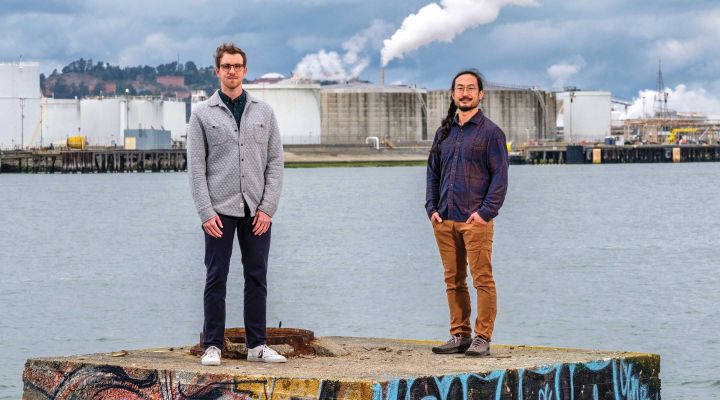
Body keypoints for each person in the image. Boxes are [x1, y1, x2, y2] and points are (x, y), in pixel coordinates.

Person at [187, 43, 285, 365]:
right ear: (217, 71)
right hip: (219, 211)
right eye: (226, 66)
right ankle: (213, 345)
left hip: (256, 210)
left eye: (237, 66)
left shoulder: (264, 113)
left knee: (257, 276)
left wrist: (268, 208)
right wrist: (205, 212)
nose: (232, 71)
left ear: (245, 70)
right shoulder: (202, 114)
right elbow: (196, 168)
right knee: (216, 277)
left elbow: (275, 163)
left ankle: (257, 345)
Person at [425, 69, 509, 357]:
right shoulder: (444, 132)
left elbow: (500, 178)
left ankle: (482, 337)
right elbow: (432, 174)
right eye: (460, 88)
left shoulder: (491, 133)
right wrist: (431, 209)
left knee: (482, 279)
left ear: (480, 94)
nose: (465, 93)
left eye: (470, 88)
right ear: (453, 94)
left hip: (475, 221)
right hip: (444, 219)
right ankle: (459, 334)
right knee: (453, 280)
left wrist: (485, 213)